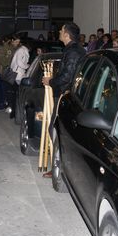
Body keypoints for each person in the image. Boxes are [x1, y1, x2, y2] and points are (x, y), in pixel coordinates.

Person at [42, 22, 86, 178]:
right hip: (66, 95)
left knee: (55, 130)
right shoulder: (73, 49)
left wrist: (50, 81)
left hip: (65, 96)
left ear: (67, 34)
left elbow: (67, 76)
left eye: (61, 30)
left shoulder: (73, 52)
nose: (59, 32)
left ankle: (58, 167)